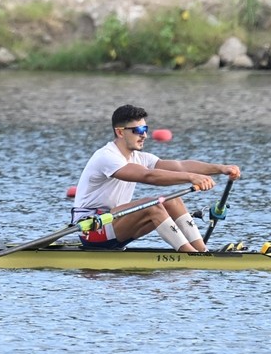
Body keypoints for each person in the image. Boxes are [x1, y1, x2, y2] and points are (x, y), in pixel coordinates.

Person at [72, 104, 241, 252]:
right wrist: (191, 178)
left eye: (145, 130)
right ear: (120, 132)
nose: (144, 135)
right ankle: (192, 256)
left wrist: (221, 168)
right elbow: (148, 176)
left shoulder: (139, 158)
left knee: (172, 201)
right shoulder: (106, 156)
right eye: (138, 130)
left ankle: (202, 251)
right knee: (153, 205)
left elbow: (180, 165)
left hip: (113, 224)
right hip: (92, 228)